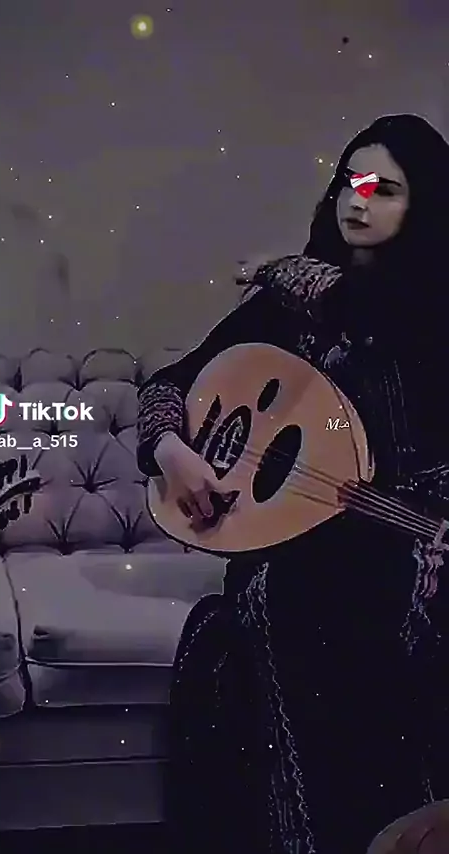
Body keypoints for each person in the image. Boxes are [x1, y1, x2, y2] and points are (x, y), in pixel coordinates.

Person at [136, 114, 449, 853]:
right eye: (350, 181)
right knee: (283, 596)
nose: (358, 200)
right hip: (291, 543)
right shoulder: (281, 310)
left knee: (357, 609)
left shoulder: (430, 303)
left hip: (411, 542)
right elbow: (170, 383)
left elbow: (367, 309)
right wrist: (172, 451)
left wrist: (279, 267)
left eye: (386, 189)